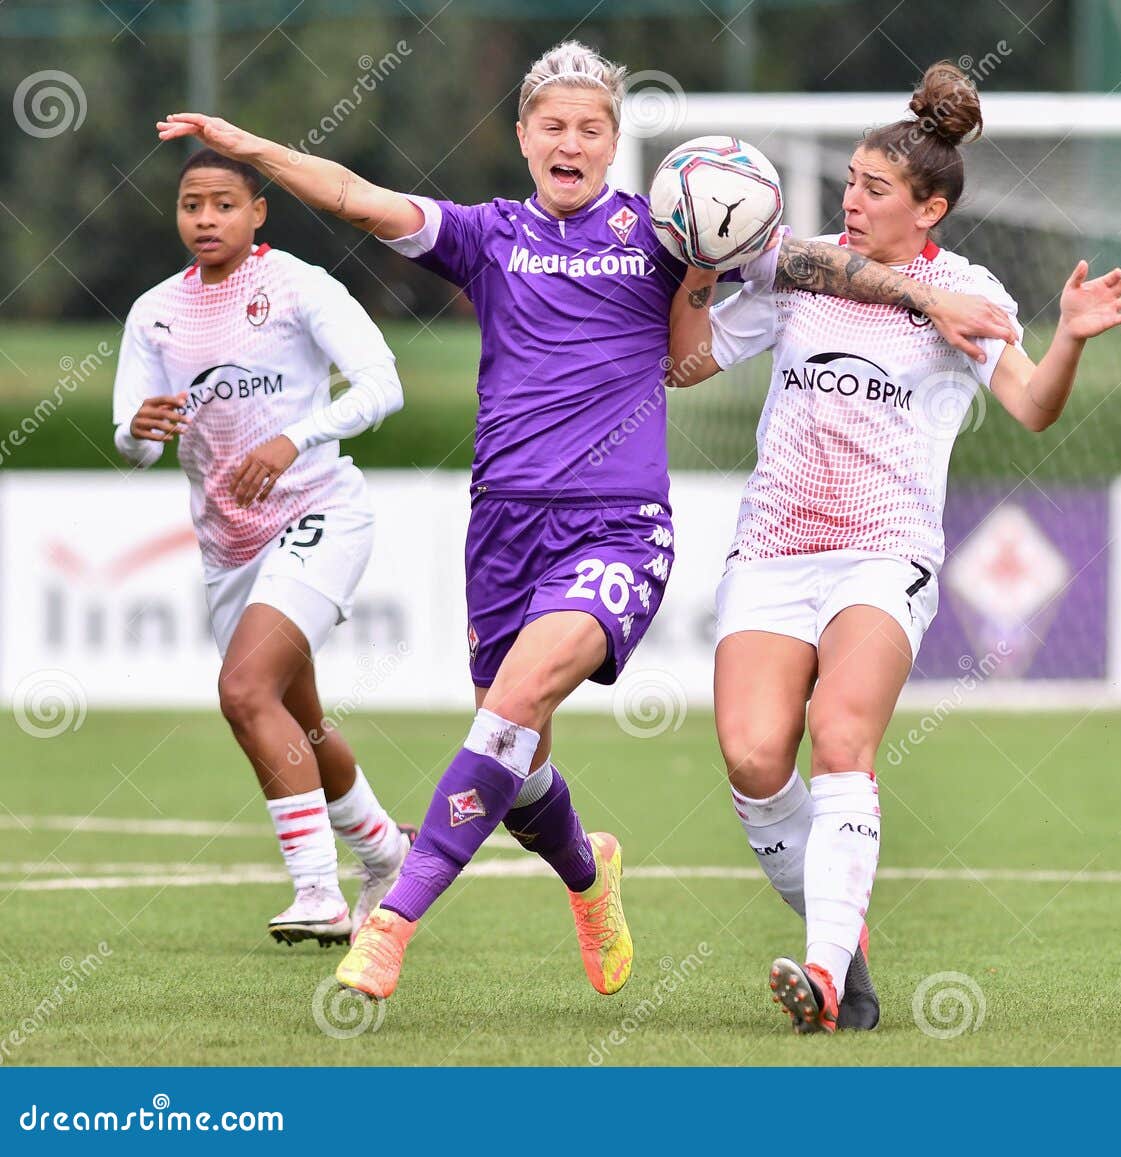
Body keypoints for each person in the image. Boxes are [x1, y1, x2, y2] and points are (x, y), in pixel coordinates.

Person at [157, 41, 1014, 1004]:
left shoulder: (668, 229)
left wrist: (926, 292)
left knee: (510, 707)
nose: (572, 141)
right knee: (518, 764)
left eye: (592, 128)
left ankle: (393, 920)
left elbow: (817, 264)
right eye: (554, 126)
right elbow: (357, 196)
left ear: (614, 144)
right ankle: (585, 871)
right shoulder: (486, 234)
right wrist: (252, 147)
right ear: (523, 138)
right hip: (503, 528)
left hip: (617, 529)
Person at [667, 61, 1121, 1032]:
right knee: (755, 759)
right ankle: (846, 948)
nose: (849, 199)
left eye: (873, 188)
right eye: (848, 179)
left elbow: (1030, 405)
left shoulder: (965, 290)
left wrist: (1069, 340)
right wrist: (697, 264)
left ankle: (823, 973)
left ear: (928, 208)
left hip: (882, 552)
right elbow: (682, 362)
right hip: (772, 546)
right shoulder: (801, 267)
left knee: (842, 733)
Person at [112, 148, 412, 946]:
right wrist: (137, 432)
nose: (205, 219)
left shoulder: (298, 286)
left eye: (222, 204)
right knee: (296, 721)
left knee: (244, 688)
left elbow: (384, 384)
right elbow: (133, 440)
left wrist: (294, 438)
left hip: (320, 512)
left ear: (258, 213)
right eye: (190, 205)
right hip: (227, 547)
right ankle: (387, 851)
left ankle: (317, 891)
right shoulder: (153, 313)